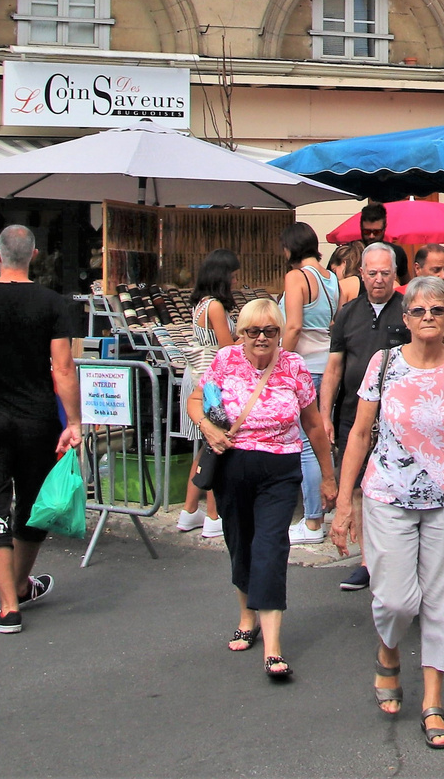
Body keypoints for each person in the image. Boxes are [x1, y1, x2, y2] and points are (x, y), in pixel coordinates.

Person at [330, 275, 444, 750]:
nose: (428, 318)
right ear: (405, 320)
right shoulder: (384, 365)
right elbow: (360, 434)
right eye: (419, 311)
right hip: (388, 496)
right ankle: (388, 651)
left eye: (437, 311)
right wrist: (344, 503)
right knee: (397, 600)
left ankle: (432, 704)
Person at [192, 298, 336, 679]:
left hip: (280, 469)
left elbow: (314, 424)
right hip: (232, 465)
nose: (261, 339)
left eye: (270, 331)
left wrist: (328, 475)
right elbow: (196, 400)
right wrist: (208, 427)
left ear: (279, 333)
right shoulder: (225, 360)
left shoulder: (294, 366)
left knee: (270, 548)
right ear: (241, 333)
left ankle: (273, 647)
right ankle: (246, 615)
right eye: (253, 331)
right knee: (240, 542)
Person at [0, 225, 82, 634]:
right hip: (36, 417)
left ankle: (10, 604)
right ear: (35, 255)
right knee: (30, 503)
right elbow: (63, 367)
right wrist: (74, 421)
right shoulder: (52, 303)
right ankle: (22, 584)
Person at [321, 243, 410, 592]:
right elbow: (333, 369)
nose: (377, 280)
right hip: (352, 415)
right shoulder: (347, 313)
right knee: (358, 485)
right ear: (361, 274)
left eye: (384, 273)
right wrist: (324, 413)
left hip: (397, 417)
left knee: (396, 486)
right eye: (371, 273)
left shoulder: (408, 310)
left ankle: (399, 558)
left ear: (394, 275)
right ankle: (366, 561)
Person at [280, 222, 340, 545]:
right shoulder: (332, 279)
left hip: (303, 366)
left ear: (289, 249)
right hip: (328, 364)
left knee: (306, 443)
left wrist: (278, 364)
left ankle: (313, 519)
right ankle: (323, 509)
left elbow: (293, 327)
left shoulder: (296, 277)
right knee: (322, 440)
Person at [176, 250, 239, 540]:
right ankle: (214, 515)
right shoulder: (215, 306)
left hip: (198, 377)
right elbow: (227, 345)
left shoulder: (200, 304)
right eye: (234, 275)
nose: (237, 280)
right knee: (217, 446)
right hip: (214, 383)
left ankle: (190, 511)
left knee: (205, 447)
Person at [359, 204, 411, 287]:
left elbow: (406, 285)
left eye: (377, 232)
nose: (371, 236)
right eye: (367, 232)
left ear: (384, 228)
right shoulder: (350, 252)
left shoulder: (397, 252)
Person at [325, 242, 364, 308]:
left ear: (344, 262)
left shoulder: (343, 285)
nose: (335, 276)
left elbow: (339, 316)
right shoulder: (368, 281)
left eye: (334, 271)